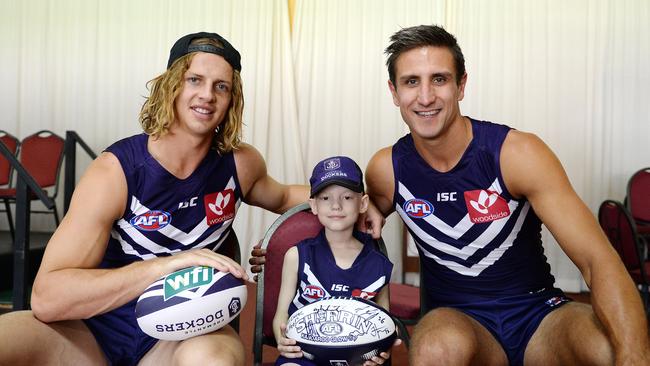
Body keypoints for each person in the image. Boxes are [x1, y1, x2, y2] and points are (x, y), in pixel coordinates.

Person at [0, 32, 384, 366]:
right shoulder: (115, 171)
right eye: (194, 79)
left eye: (221, 86)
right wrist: (171, 265)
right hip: (91, 331)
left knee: (213, 360)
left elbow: (284, 194)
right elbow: (48, 298)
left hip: (183, 334)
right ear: (171, 85)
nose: (207, 95)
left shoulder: (240, 164)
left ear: (232, 99)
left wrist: (367, 205)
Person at [363, 24, 650, 366]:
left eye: (439, 79)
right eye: (412, 82)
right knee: (434, 350)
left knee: (611, 348)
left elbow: (597, 261)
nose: (425, 97)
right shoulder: (386, 169)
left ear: (461, 85)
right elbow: (330, 203)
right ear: (394, 92)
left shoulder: (517, 153)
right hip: (459, 321)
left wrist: (633, 358)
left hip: (539, 315)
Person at [273, 156, 395, 366]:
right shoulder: (297, 255)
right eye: (325, 198)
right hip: (305, 354)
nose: (336, 206)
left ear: (363, 203)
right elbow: (282, 313)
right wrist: (282, 339)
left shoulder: (378, 264)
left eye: (347, 197)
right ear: (313, 205)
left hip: (357, 357)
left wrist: (382, 351)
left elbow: (385, 322)